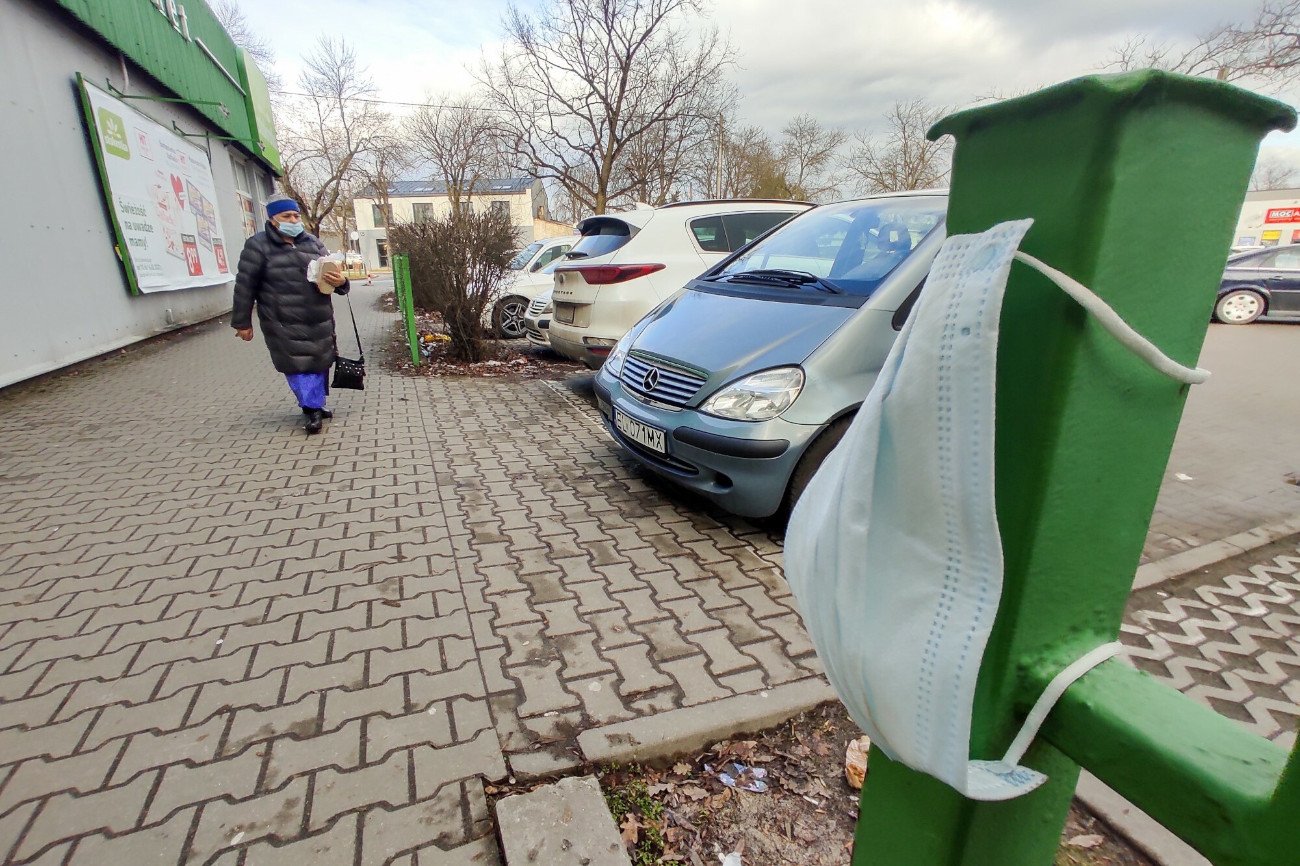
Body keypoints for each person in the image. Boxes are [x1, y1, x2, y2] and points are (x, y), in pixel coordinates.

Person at [231, 198, 349, 434]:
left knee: (320, 361)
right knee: (299, 365)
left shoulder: (313, 243)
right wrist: (242, 322)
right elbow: (245, 286)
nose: (294, 221)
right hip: (282, 319)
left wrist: (342, 282)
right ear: (273, 220)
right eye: (287, 217)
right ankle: (311, 410)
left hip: (319, 316)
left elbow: (332, 274)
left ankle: (315, 403)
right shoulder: (258, 246)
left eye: (296, 216)